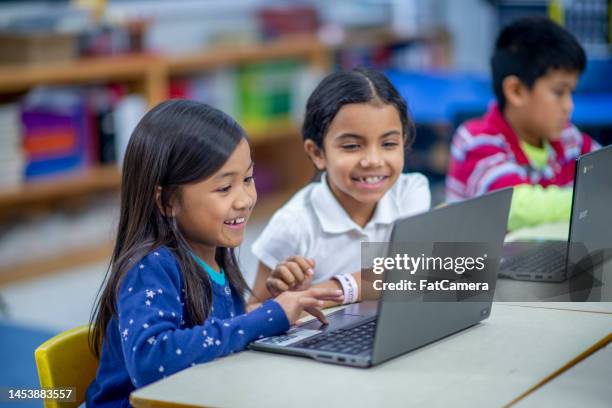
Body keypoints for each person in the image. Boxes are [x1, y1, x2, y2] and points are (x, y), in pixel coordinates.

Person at [86, 100, 342, 407]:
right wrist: (268, 317)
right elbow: (151, 361)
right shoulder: (149, 266)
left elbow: (214, 335)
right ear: (167, 200)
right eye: (224, 188)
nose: (245, 200)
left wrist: (273, 304)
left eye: (247, 179)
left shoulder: (216, 258)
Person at [249, 68, 431, 307]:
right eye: (352, 146)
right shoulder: (292, 224)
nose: (373, 160)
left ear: (403, 143)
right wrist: (282, 298)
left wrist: (317, 294)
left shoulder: (411, 191)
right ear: (317, 154)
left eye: (388, 144)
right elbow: (251, 311)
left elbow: (413, 274)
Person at [446, 17, 599, 231]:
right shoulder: (475, 140)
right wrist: (594, 199)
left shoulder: (568, 139)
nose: (568, 106)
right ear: (516, 91)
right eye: (559, 92)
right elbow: (514, 207)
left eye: (571, 92)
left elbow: (603, 174)